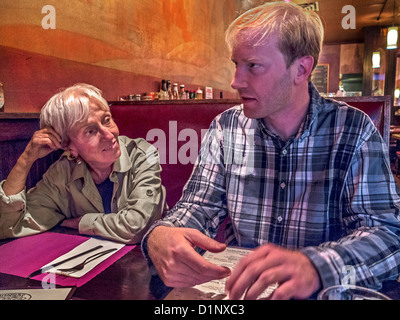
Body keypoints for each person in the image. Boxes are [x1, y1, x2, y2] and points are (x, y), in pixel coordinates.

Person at [142, 2, 400, 300]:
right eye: (235, 64)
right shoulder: (227, 127)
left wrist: (315, 266)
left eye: (253, 65)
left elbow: (388, 235)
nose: (235, 81)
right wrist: (161, 235)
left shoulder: (354, 129)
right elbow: (198, 207)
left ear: (301, 69)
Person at [0, 83, 165, 244]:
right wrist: (25, 160)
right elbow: (8, 225)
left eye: (106, 120)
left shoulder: (143, 154)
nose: (109, 135)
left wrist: (81, 223)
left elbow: (139, 227)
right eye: (91, 131)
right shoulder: (63, 172)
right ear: (67, 145)